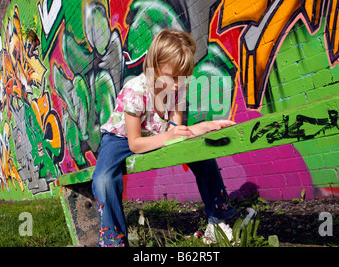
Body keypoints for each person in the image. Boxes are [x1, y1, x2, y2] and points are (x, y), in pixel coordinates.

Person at [92, 29, 237, 247]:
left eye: (183, 77)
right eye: (173, 77)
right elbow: (135, 143)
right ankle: (114, 242)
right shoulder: (135, 90)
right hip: (121, 139)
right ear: (155, 66)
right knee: (103, 179)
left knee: (201, 151)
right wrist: (169, 135)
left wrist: (205, 127)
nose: (178, 84)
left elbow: (176, 132)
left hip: (156, 134)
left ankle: (219, 219)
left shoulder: (177, 87)